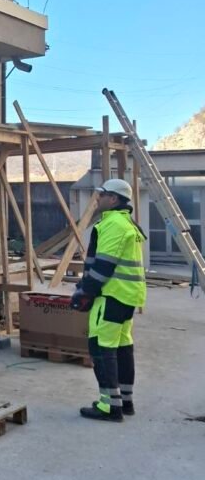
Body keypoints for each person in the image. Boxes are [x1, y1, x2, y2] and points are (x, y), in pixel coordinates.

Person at [71, 178, 147, 422]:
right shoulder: (126, 223)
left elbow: (103, 266)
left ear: (113, 199)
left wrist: (85, 292)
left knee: (102, 348)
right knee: (122, 347)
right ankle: (125, 401)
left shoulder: (113, 224)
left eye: (102, 194)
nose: (97, 198)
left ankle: (109, 407)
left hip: (111, 295)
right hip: (127, 295)